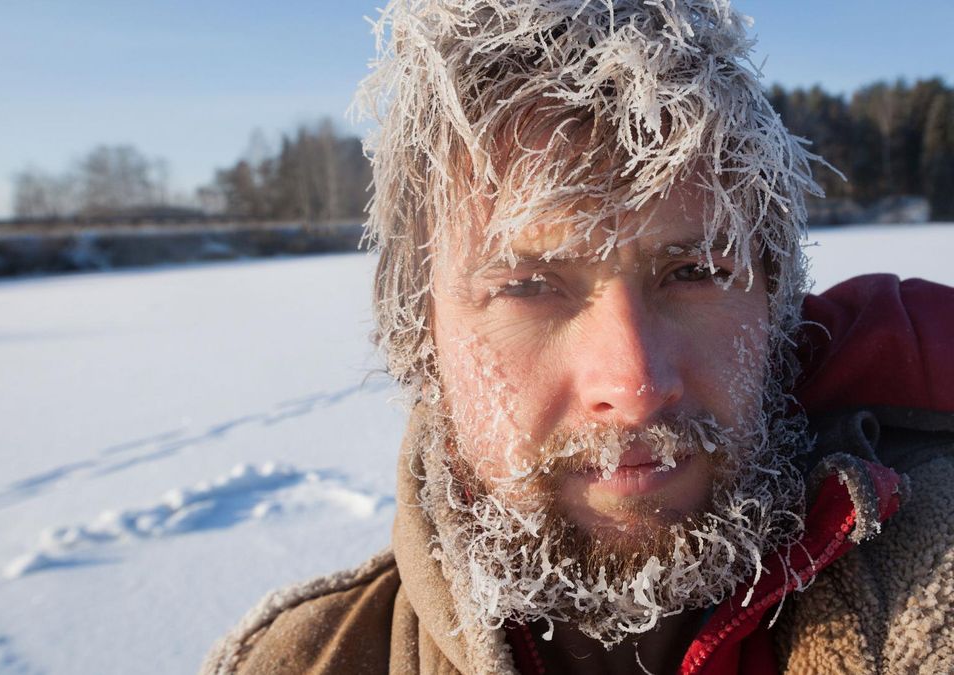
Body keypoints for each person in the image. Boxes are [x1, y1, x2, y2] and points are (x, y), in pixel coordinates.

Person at [202, 1, 954, 673]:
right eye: (527, 286)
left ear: (775, 310)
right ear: (421, 341)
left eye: (693, 270)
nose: (633, 385)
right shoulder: (301, 660)